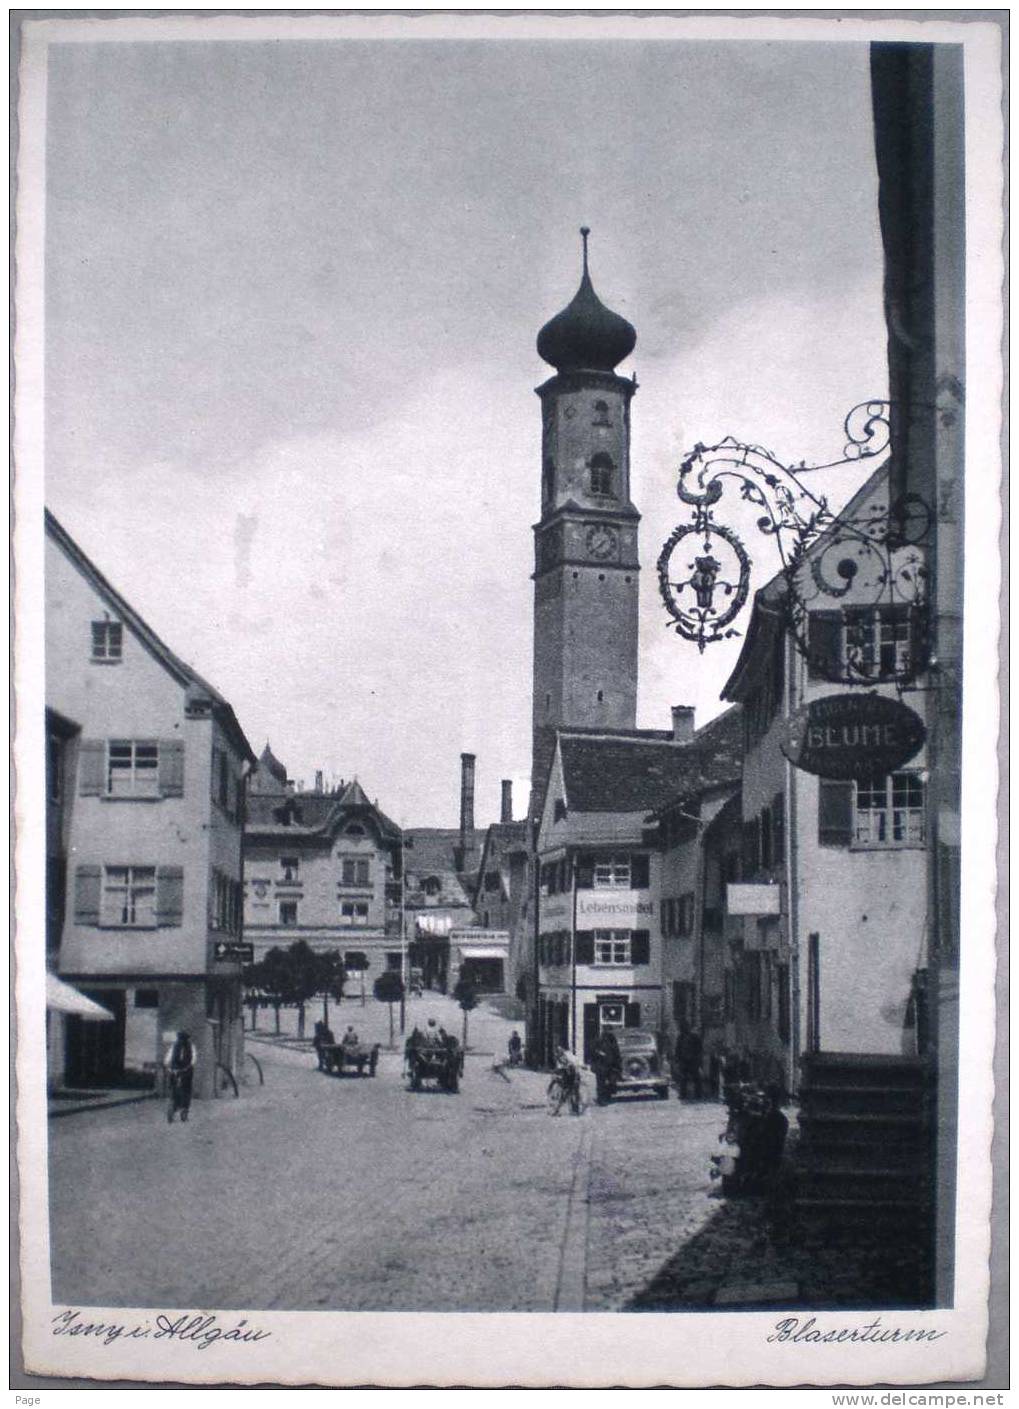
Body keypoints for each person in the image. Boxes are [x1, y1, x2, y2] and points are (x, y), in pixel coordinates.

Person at [165, 1030, 197, 1123]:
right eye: (180, 1039)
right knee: (173, 1087)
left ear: (186, 1039)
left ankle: (184, 1109)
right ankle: (173, 1105)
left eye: (183, 1039)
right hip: (175, 1070)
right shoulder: (174, 1046)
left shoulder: (191, 1046)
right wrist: (167, 1064)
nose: (181, 1041)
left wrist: (190, 1066)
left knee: (186, 1090)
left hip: (186, 1070)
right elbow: (169, 1056)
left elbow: (193, 1059)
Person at [591, 1027, 621, 1103]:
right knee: (602, 1083)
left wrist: (617, 1065)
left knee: (607, 1083)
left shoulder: (612, 1041)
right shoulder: (599, 1041)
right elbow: (593, 1051)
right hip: (602, 1065)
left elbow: (616, 1053)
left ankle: (606, 1097)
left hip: (609, 1066)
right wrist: (600, 1054)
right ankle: (602, 1099)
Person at [675, 1023, 704, 1101]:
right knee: (684, 1078)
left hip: (692, 1060)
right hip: (685, 1060)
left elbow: (699, 1048)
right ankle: (684, 1094)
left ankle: (697, 1094)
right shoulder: (681, 1037)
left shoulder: (694, 1037)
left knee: (695, 1078)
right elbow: (678, 1049)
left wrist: (697, 1058)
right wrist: (678, 1059)